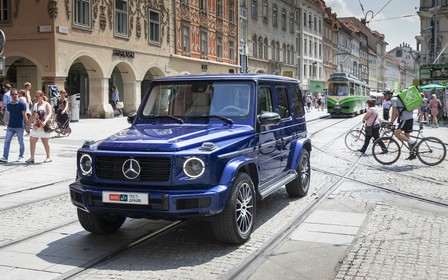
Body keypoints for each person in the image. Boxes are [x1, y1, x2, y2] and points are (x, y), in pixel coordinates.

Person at [0, 88, 29, 163]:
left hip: (19, 126)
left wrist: (27, 125)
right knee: (7, 141)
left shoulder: (22, 104)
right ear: (10, 95)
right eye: (12, 94)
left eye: (15, 94)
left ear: (18, 94)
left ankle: (21, 156)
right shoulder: (9, 105)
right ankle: (5, 157)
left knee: (21, 142)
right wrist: (6, 121)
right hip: (10, 126)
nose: (14, 96)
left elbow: (24, 115)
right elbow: (8, 114)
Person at [26, 90, 53, 164]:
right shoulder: (35, 105)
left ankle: (48, 157)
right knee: (32, 141)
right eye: (35, 96)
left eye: (37, 96)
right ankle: (32, 158)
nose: (36, 97)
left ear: (41, 96)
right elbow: (32, 115)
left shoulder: (46, 104)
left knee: (45, 142)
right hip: (36, 126)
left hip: (43, 127)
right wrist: (28, 124)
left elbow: (49, 113)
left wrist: (45, 121)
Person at [390, 92, 417, 160]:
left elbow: (394, 112)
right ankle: (412, 154)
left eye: (385, 95)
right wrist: (392, 121)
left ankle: (413, 142)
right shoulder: (398, 99)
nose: (384, 97)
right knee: (407, 137)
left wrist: (391, 122)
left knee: (396, 133)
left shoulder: (393, 99)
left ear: (389, 94)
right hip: (409, 118)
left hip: (406, 119)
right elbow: (397, 113)